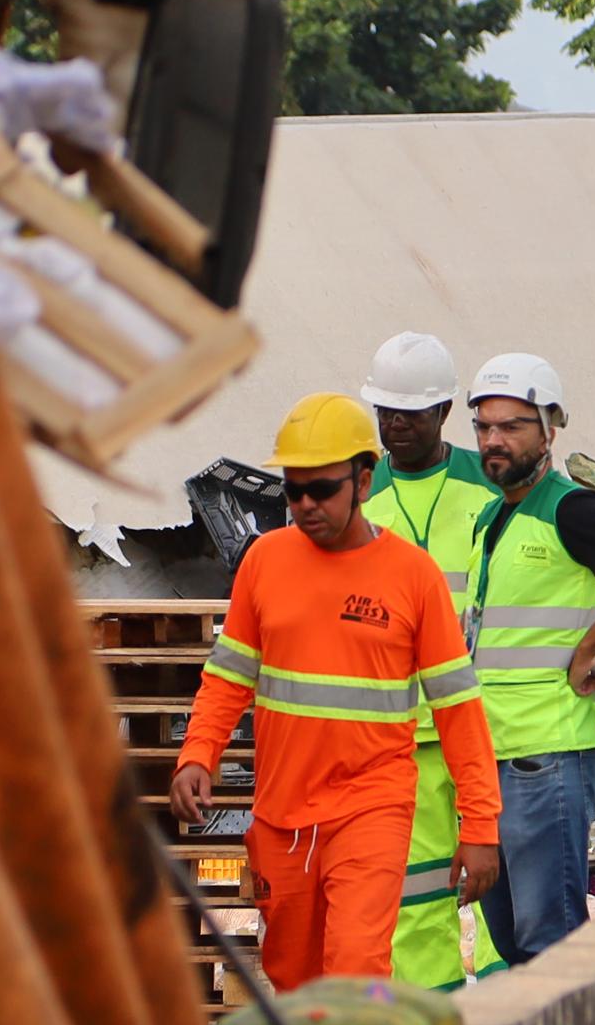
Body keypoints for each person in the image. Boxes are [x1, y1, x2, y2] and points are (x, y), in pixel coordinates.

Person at [175, 393, 499, 992]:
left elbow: (458, 710)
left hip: (371, 806)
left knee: (355, 969)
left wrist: (480, 825)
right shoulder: (264, 562)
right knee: (294, 978)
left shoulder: (412, 576)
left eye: (321, 489)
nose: (304, 505)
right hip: (282, 817)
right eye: (293, 490)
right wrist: (199, 755)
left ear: (364, 480)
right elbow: (227, 676)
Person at [461, 352, 595, 963]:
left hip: (544, 758)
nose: (494, 441)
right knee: (508, 938)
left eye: (513, 426)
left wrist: (588, 650)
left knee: (547, 940)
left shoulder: (569, 508)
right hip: (492, 756)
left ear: (550, 430)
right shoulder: (494, 516)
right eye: (484, 427)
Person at [359, 330, 507, 990]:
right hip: (401, 734)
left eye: (409, 413)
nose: (393, 426)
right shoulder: (357, 492)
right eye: (384, 412)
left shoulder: (493, 484)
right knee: (416, 903)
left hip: (488, 726)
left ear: (444, 411)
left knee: (504, 897)